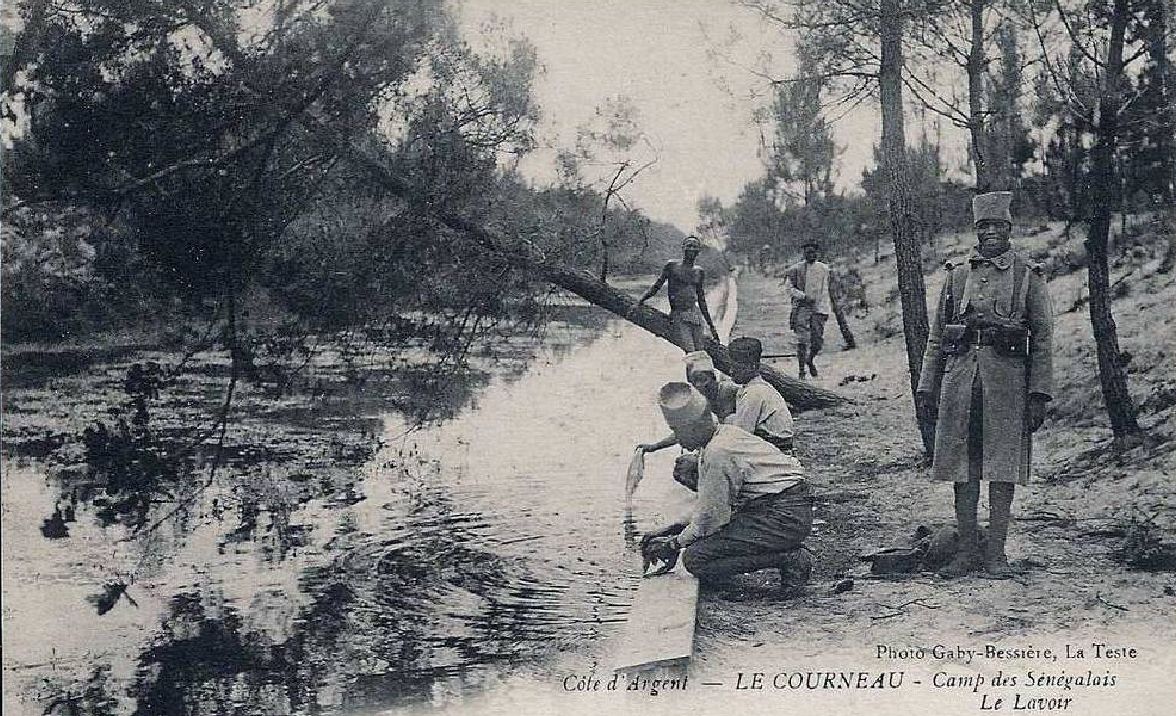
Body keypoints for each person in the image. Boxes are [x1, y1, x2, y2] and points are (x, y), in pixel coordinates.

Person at [915, 191, 1053, 579]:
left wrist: (1039, 394)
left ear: (1009, 228)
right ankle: (967, 553)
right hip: (961, 382)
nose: (991, 232)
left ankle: (996, 553)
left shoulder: (1028, 276)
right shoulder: (957, 276)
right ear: (975, 230)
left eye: (998, 225)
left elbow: (1042, 338)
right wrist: (928, 386)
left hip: (1008, 385)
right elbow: (937, 336)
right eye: (983, 226)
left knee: (1002, 467)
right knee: (964, 467)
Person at [642, 382, 814, 595]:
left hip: (784, 516)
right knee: (702, 541)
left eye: (678, 432)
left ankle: (789, 558)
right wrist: (674, 528)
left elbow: (712, 518)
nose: (680, 440)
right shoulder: (724, 434)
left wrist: (673, 544)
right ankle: (785, 551)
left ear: (694, 427)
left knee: (695, 559)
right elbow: (711, 506)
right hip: (783, 507)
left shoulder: (718, 453)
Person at [636, 351, 738, 455]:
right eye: (694, 382)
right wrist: (656, 446)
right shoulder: (700, 399)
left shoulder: (728, 390)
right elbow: (687, 427)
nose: (699, 385)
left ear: (713, 377)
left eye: (702, 379)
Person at [637, 235, 721, 352]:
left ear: (698, 251)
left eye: (695, 247)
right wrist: (641, 301)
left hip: (694, 314)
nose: (691, 249)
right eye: (689, 246)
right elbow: (657, 286)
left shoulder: (699, 272)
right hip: (678, 314)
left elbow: (701, 299)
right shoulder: (672, 266)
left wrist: (711, 326)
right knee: (690, 352)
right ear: (683, 248)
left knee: (700, 352)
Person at [724, 336, 796, 453]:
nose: (731, 371)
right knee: (729, 420)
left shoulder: (754, 393)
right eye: (731, 366)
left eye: (736, 368)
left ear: (752, 367)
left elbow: (741, 434)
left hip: (776, 451)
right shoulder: (756, 386)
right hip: (774, 445)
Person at [786, 240, 832, 379]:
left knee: (817, 341)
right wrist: (803, 296)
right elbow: (789, 288)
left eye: (813, 252)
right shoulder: (796, 270)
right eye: (808, 252)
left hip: (820, 309)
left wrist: (825, 308)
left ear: (817, 253)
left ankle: (810, 359)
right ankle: (801, 371)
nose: (811, 255)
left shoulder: (824, 269)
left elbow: (826, 290)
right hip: (803, 308)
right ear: (804, 254)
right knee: (802, 340)